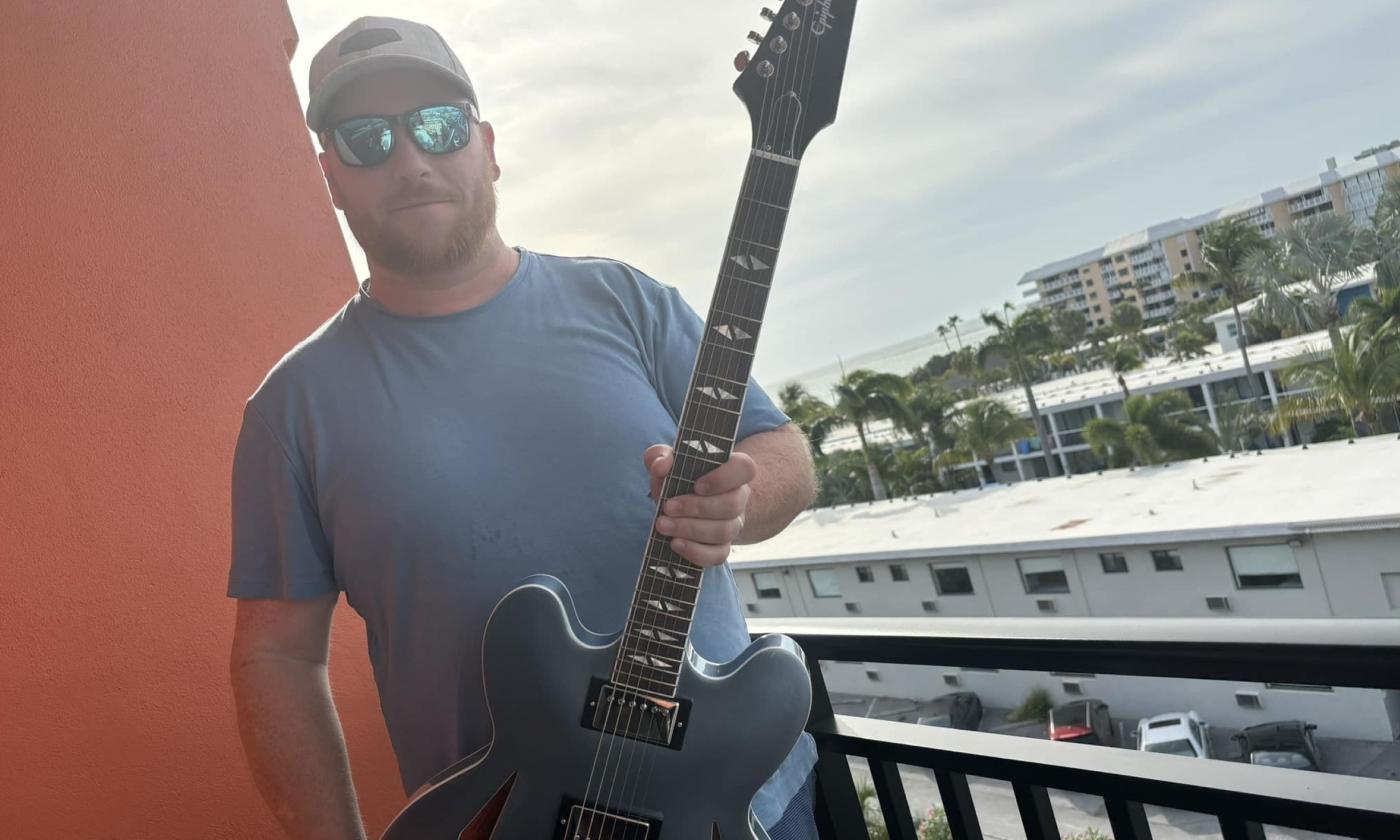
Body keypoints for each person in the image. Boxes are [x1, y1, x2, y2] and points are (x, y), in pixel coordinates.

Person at [227, 16, 820, 840]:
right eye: (367, 140)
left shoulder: (629, 302)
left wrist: (742, 502)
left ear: (489, 145)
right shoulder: (289, 409)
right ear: (332, 177)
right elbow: (278, 657)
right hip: (508, 820)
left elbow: (780, 449)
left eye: (438, 125)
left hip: (742, 806)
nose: (409, 159)